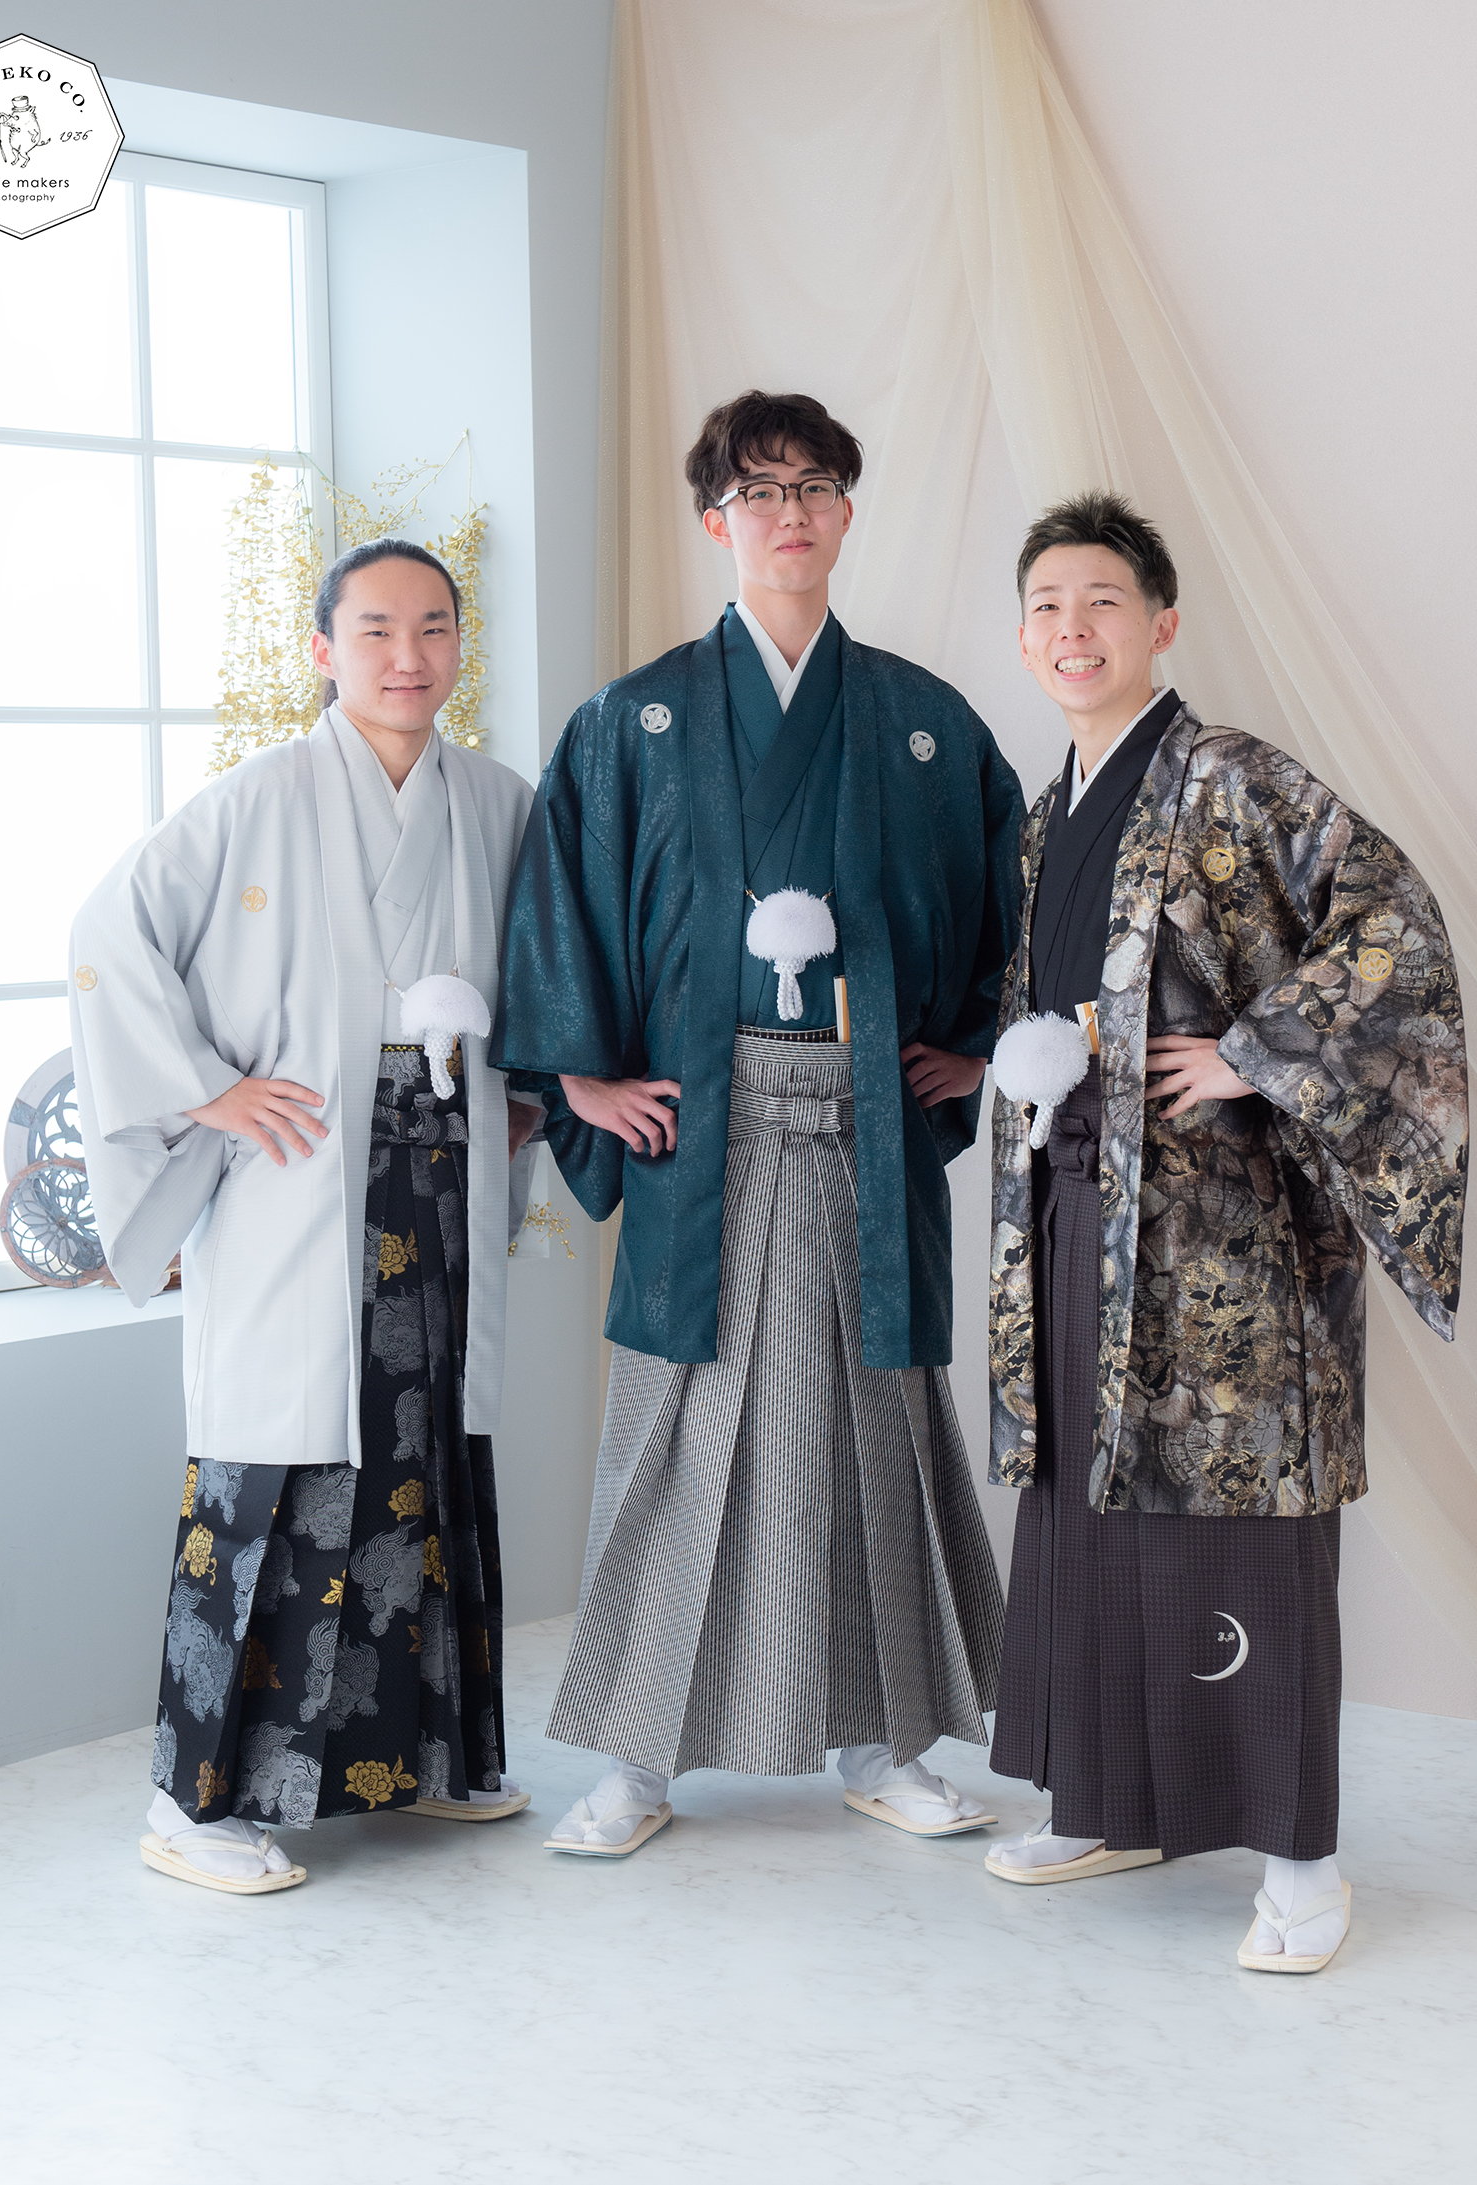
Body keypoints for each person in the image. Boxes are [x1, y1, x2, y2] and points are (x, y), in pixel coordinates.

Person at [494, 390, 1025, 1855]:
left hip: (863, 1117)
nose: (788, 514)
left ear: (847, 512)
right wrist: (577, 1079)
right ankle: (637, 1759)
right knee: (681, 1424)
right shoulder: (636, 720)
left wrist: (977, 1049)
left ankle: (881, 1740)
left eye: (814, 487)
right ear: (713, 518)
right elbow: (561, 901)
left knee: (870, 1427)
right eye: (758, 490)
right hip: (701, 1121)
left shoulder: (922, 723)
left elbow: (1017, 894)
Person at [981, 491, 1468, 1970]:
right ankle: (1105, 1802)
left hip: (1224, 1232)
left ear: (1164, 622)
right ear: (1024, 635)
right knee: (1087, 1503)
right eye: (1049, 606)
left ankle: (1303, 1864)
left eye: (1104, 602)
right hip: (1077, 1204)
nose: (1074, 629)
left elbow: (1395, 924)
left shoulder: (1233, 776)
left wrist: (1254, 1053)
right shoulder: (1049, 808)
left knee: (1242, 1526)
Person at [71, 538, 542, 1893]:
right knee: (271, 1467)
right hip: (301, 1177)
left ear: (460, 646)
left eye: (434, 627)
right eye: (377, 629)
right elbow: (106, 937)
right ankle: (194, 1803)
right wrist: (206, 1088)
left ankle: (421, 1761)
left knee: (422, 1457)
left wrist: (525, 1097)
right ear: (325, 649)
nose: (409, 655)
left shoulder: (497, 801)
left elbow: (549, 971)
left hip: (439, 1178)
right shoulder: (255, 799)